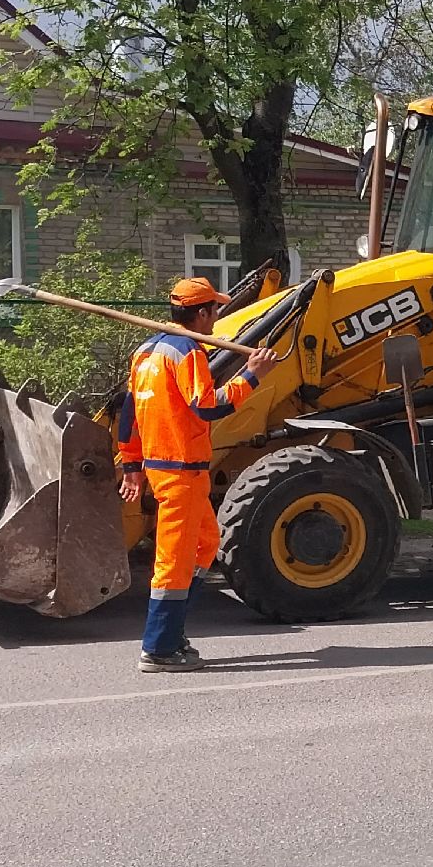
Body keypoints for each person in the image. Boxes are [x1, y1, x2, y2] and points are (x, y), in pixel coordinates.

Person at [114, 278, 277, 672]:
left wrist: (132, 466)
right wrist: (251, 375)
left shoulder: (147, 352)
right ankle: (158, 649)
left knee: (206, 543)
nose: (217, 317)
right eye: (215, 310)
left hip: (166, 469)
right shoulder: (188, 352)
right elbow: (206, 407)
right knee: (174, 560)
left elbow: (129, 414)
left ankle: (174, 631)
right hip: (180, 472)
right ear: (201, 313)